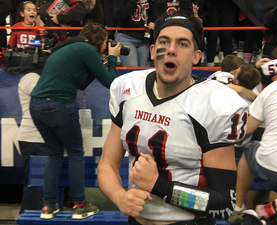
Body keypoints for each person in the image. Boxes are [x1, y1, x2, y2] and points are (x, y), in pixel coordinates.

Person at [97, 11, 249, 224]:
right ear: (152, 51)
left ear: (196, 56)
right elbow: (106, 165)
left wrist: (159, 186)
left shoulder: (213, 103)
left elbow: (224, 204)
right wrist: (120, 197)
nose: (170, 50)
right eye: (164, 41)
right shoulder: (128, 89)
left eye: (183, 44)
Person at [29, 22, 120, 220]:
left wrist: (100, 64)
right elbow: (111, 83)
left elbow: (80, 84)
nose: (106, 46)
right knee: (75, 152)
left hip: (36, 105)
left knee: (55, 153)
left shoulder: (73, 46)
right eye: (106, 42)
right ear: (100, 41)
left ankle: (48, 206)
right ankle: (80, 204)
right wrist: (112, 58)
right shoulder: (87, 49)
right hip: (59, 104)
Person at [228, 59, 277, 224]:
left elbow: (245, 133)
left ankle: (238, 208)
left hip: (273, 166)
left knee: (250, 150)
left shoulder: (275, 87)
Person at [18, 71, 49, 214]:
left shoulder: (38, 78)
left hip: (42, 140)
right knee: (36, 190)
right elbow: (46, 100)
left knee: (43, 189)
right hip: (34, 140)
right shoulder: (32, 77)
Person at [113, 0, 158, 67]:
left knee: (142, 72)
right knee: (132, 70)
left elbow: (152, 10)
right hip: (126, 36)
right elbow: (119, 14)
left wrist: (152, 21)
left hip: (144, 38)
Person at [205, 0, 239, 67]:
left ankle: (229, 66)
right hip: (211, 4)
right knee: (212, 36)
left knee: (226, 36)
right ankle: (209, 65)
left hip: (229, 5)